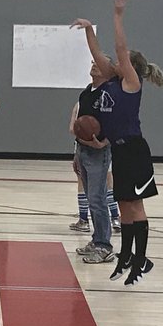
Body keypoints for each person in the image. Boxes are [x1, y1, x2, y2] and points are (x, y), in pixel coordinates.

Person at [72, 0, 163, 286]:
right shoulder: (111, 81)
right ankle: (126, 254)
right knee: (124, 206)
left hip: (135, 150)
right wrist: (89, 29)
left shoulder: (131, 84)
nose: (111, 63)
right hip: (120, 151)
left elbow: (118, 48)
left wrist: (116, 16)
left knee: (136, 207)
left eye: (121, 62)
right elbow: (99, 53)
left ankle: (141, 257)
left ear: (130, 67)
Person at [69, 64, 120, 264]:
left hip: (99, 152)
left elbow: (117, 121)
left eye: (99, 65)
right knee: (91, 199)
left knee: (98, 200)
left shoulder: (109, 94)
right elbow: (80, 125)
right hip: (83, 150)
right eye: (92, 64)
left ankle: (105, 246)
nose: (94, 66)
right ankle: (96, 240)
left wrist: (106, 141)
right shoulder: (85, 93)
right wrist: (76, 153)